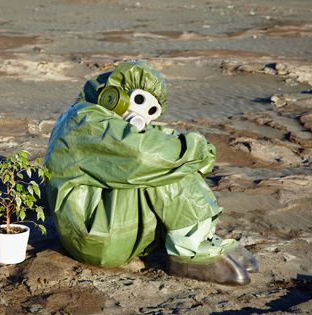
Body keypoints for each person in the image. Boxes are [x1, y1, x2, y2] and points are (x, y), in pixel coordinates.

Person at [45, 61, 258, 285]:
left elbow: (159, 139)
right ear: (113, 94)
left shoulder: (104, 120)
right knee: (162, 166)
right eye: (139, 100)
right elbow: (142, 155)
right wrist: (199, 150)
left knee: (171, 155)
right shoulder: (85, 119)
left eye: (151, 110)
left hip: (113, 228)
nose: (142, 114)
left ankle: (200, 237)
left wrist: (193, 152)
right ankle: (191, 252)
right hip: (97, 236)